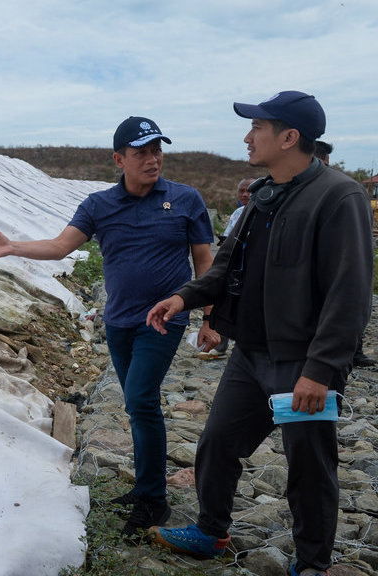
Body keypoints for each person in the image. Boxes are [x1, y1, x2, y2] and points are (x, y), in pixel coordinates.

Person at [145, 91, 372, 576]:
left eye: (257, 128)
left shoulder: (340, 196)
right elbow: (225, 267)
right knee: (217, 444)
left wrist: (321, 370)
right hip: (251, 355)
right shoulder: (263, 195)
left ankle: (312, 564)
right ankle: (211, 531)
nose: (247, 137)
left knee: (309, 465)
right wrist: (184, 298)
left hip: (302, 363)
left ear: (289, 137)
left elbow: (349, 293)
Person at [0, 116, 218, 538]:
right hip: (118, 321)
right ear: (119, 160)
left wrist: (210, 317)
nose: (153, 159)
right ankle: (146, 486)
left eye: (157, 150)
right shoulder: (99, 205)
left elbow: (204, 261)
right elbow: (60, 246)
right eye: (141, 152)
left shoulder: (185, 199)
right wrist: (12, 247)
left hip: (164, 319)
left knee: (141, 400)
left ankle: (153, 499)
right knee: (136, 403)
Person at [315, 140, 375, 368]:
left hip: (342, 255)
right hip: (341, 256)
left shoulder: (341, 187)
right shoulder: (344, 187)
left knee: (346, 301)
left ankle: (352, 351)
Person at [199, 177, 254, 361]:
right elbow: (228, 238)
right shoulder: (237, 213)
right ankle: (221, 344)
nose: (245, 194)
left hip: (253, 268)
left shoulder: (267, 211)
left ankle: (245, 349)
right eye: (241, 191)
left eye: (249, 190)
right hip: (234, 266)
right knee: (225, 303)